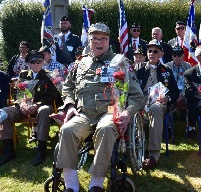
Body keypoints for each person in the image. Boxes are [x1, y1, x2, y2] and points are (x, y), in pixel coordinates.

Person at [55, 23, 143, 192]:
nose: (99, 42)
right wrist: (70, 106)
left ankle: (96, 184)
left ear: (109, 41)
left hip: (110, 112)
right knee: (66, 130)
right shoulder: (79, 64)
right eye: (95, 38)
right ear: (89, 40)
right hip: (83, 113)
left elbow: (137, 96)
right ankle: (71, 186)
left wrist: (128, 112)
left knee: (105, 129)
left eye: (103, 39)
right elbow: (67, 88)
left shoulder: (120, 62)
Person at [0, 50, 59, 167]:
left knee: (44, 111)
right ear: (28, 63)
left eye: (38, 61)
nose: (35, 64)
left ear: (43, 62)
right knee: (2, 112)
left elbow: (52, 95)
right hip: (25, 106)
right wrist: (22, 104)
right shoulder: (23, 75)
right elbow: (19, 94)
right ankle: (8, 150)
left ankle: (41, 149)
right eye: (32, 62)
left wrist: (37, 105)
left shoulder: (50, 75)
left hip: (42, 106)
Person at [134, 39, 180, 170]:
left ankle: (153, 154)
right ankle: (129, 147)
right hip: (141, 99)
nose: (152, 53)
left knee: (154, 108)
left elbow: (175, 91)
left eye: (155, 51)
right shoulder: (139, 68)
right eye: (149, 51)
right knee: (129, 108)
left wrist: (167, 98)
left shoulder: (167, 70)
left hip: (158, 102)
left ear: (161, 54)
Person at [166, 46, 193, 136]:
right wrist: (174, 95)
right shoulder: (166, 67)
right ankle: (169, 127)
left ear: (183, 56)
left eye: (179, 55)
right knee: (167, 102)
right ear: (172, 56)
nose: (177, 57)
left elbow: (190, 84)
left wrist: (183, 95)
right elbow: (165, 85)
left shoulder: (188, 66)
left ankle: (190, 127)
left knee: (192, 100)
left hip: (184, 94)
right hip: (172, 93)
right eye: (174, 55)